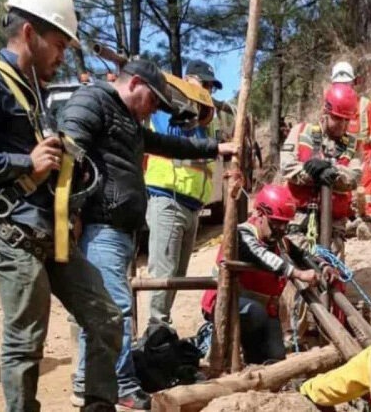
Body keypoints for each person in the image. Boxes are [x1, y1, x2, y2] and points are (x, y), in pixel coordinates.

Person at [57, 59, 237, 410]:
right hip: (101, 226)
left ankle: (87, 381)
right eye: (152, 99)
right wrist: (70, 212)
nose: (154, 108)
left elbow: (169, 146)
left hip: (121, 228)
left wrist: (215, 148)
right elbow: (69, 150)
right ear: (135, 83)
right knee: (117, 309)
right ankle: (122, 383)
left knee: (104, 309)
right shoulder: (95, 101)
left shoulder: (129, 122)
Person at [0, 0, 123, 412]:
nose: (63, 55)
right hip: (14, 236)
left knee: (105, 318)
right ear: (29, 34)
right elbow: (24, 160)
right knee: (25, 346)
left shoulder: (33, 91)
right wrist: (24, 165)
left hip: (54, 237)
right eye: (59, 44)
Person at [200, 184, 330, 364]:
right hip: (227, 303)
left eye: (284, 224)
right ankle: (223, 356)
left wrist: (323, 266)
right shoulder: (242, 234)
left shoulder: (279, 241)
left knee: (275, 357)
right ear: (260, 215)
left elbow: (302, 255)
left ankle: (254, 364)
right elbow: (262, 256)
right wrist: (298, 274)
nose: (281, 229)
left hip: (263, 308)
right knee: (255, 314)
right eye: (276, 223)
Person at [144, 59, 222, 326]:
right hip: (167, 198)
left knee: (178, 272)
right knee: (162, 271)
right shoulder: (167, 105)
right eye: (205, 85)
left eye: (212, 87)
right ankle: (156, 329)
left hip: (193, 206)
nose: (209, 91)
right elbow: (169, 134)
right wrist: (183, 101)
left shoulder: (206, 120)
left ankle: (162, 327)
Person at [280, 83, 362, 259]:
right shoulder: (301, 131)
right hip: (298, 217)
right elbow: (286, 166)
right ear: (325, 113)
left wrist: (330, 169)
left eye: (347, 120)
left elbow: (354, 178)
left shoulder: (353, 144)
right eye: (338, 119)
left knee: (331, 271)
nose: (343, 125)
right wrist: (311, 172)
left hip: (333, 222)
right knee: (298, 269)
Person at [331, 61, 371, 215]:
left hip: (363, 153)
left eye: (346, 84)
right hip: (341, 153)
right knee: (340, 184)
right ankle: (343, 216)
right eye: (340, 85)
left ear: (353, 84)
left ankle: (370, 216)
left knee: (368, 183)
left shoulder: (366, 105)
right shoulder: (329, 107)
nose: (343, 88)